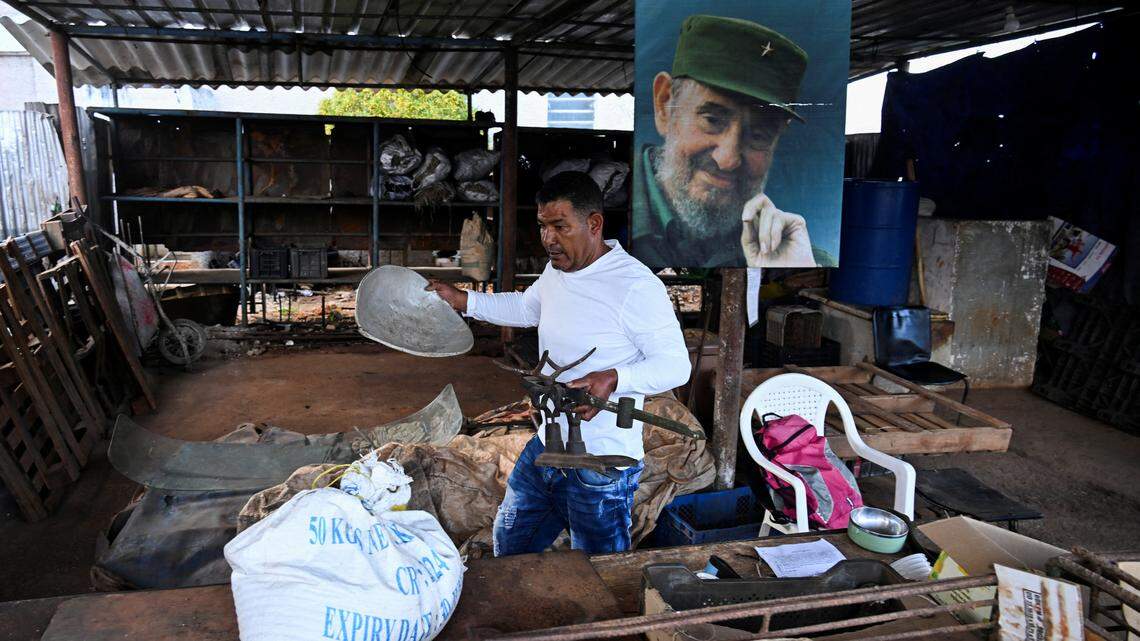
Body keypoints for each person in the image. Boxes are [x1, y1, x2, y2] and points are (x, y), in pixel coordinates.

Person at [426, 172, 690, 555]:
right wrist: (464, 301)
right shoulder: (558, 268)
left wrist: (615, 377)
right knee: (510, 545)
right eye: (543, 227)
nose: (548, 239)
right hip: (548, 445)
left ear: (594, 224)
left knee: (599, 570)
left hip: (600, 462)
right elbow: (527, 307)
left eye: (560, 227)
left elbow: (675, 366)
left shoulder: (635, 286)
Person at [631, 14, 836, 269]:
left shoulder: (798, 255)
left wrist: (789, 271)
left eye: (758, 135)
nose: (728, 160)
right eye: (712, 119)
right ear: (665, 105)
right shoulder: (602, 216)